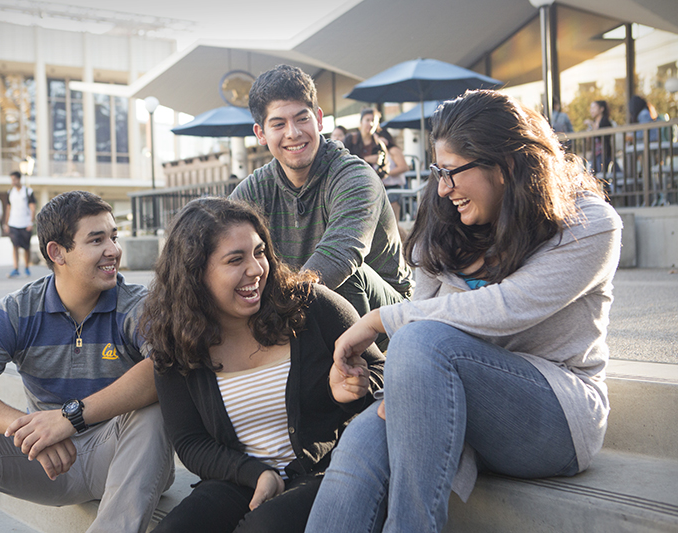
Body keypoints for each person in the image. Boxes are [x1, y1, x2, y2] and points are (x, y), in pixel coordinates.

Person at [305, 90, 622, 533]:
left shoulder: (589, 225)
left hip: (556, 417)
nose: (443, 187)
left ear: (506, 165)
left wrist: (379, 320)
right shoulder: (450, 223)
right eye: (438, 171)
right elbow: (427, 323)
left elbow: (507, 308)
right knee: (362, 439)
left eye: (452, 172)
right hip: (456, 401)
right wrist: (397, 386)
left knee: (418, 337)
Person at [0, 191, 174, 533]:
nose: (113, 250)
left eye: (113, 236)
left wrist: (71, 418)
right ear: (57, 252)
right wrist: (34, 430)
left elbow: (164, 368)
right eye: (97, 240)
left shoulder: (138, 304)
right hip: (50, 461)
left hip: (120, 456)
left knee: (154, 411)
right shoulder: (19, 309)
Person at [143, 197, 384, 533]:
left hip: (327, 472)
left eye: (259, 252)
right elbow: (190, 442)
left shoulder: (310, 305)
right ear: (195, 273)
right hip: (240, 478)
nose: (256, 269)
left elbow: (382, 372)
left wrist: (356, 386)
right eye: (235, 260)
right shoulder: (175, 342)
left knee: (263, 528)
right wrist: (256, 474)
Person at [230, 64, 413, 318]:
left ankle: (363, 359)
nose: (293, 133)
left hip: (388, 313)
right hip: (303, 309)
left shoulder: (354, 176)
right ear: (261, 133)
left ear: (318, 119)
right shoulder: (257, 187)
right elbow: (216, 243)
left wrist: (274, 315)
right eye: (278, 124)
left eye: (302, 118)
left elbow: (338, 258)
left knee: (344, 276)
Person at [4, 170, 36, 278]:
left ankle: (26, 267)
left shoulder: (28, 191)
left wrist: (31, 222)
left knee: (26, 247)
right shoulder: (10, 192)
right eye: (11, 180)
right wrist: (6, 223)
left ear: (19, 179)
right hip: (13, 223)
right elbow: (8, 208)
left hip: (25, 223)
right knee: (15, 246)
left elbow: (32, 208)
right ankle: (16, 268)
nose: (13, 181)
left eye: (14, 179)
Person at [583, 99, 614, 174]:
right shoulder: (594, 123)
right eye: (591, 108)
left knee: (602, 175)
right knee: (593, 175)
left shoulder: (605, 121)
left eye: (594, 108)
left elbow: (602, 136)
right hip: (595, 154)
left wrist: (591, 125)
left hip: (603, 153)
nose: (591, 110)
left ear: (601, 109)